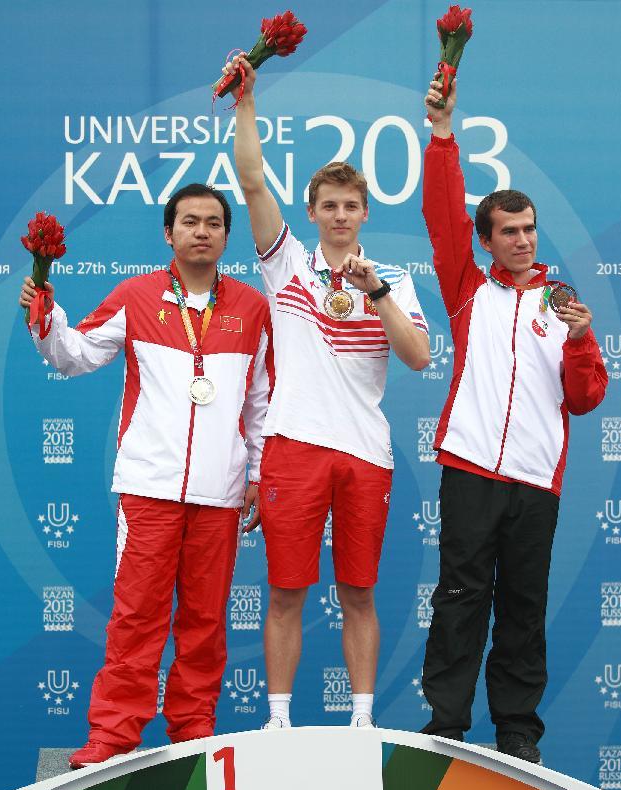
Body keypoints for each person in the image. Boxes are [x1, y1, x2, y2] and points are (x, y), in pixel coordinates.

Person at [20, 184, 273, 767]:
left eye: (213, 222)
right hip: (149, 488)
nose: (202, 231)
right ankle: (113, 733)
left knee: (206, 622)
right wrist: (45, 312)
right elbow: (73, 354)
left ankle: (193, 732)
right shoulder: (136, 296)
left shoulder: (252, 308)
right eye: (189, 221)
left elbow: (261, 399)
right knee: (137, 615)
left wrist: (256, 474)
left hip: (220, 492)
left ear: (227, 237)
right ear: (169, 233)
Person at [224, 55, 430, 730]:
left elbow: (419, 357)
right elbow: (252, 182)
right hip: (293, 448)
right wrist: (246, 103)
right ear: (312, 212)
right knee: (285, 591)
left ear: (365, 213)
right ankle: (278, 720)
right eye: (328, 206)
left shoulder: (392, 279)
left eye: (350, 206)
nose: (339, 215)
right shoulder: (283, 261)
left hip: (364, 453)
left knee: (359, 591)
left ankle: (361, 720)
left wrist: (374, 293)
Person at [420, 76, 608, 761]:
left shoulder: (562, 304)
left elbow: (585, 399)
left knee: (523, 607)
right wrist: (442, 136)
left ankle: (518, 734)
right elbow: (440, 217)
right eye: (510, 232)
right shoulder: (467, 291)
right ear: (487, 241)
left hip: (534, 481)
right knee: (460, 597)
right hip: (469, 469)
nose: (524, 240)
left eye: (529, 229)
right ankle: (444, 725)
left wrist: (583, 340)